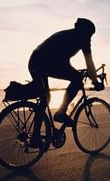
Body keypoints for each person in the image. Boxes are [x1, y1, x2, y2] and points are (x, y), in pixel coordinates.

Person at [28, 18, 98, 147]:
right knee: (77, 79)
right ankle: (61, 112)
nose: (90, 38)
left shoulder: (67, 34)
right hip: (48, 61)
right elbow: (89, 62)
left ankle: (35, 138)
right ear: (86, 32)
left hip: (35, 60)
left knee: (45, 99)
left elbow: (63, 59)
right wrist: (96, 81)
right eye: (91, 34)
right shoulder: (83, 38)